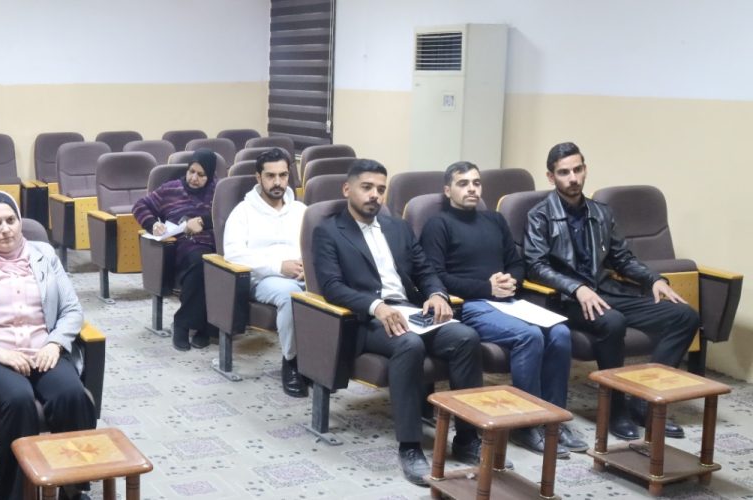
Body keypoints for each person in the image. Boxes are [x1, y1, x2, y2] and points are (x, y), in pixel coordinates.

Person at [311, 159, 484, 487]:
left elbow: (425, 270)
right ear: (347, 189)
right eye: (367, 188)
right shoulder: (328, 231)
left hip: (410, 311)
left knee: (466, 337)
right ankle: (410, 445)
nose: (374, 195)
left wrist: (437, 294)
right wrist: (376, 306)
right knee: (409, 343)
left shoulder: (398, 228)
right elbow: (332, 287)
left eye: (380, 189)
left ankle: (466, 436)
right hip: (366, 320)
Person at [525, 142, 699, 441]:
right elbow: (535, 266)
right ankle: (615, 408)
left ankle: (644, 401)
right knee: (612, 321)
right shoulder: (540, 215)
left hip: (606, 290)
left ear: (585, 169)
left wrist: (653, 279)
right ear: (551, 177)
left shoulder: (601, 212)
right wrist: (577, 287)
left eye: (578, 170)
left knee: (684, 316)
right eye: (564, 172)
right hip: (566, 299)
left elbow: (622, 258)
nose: (573, 178)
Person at [0, 192, 95, 500]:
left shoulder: (44, 254)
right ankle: (15, 493)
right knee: (19, 399)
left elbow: (72, 310)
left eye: (11, 220)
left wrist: (55, 343)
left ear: (20, 221)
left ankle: (72, 488)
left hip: (44, 350)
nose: (5, 229)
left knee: (71, 395)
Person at [419, 161, 583, 458]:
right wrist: (487, 288)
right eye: (463, 183)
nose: (471, 189)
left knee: (560, 333)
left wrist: (511, 282)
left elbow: (517, 263)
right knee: (529, 336)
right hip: (470, 305)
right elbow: (435, 276)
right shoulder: (438, 225)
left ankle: (553, 420)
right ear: (448, 190)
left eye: (476, 183)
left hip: (508, 301)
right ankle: (525, 424)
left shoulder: (494, 220)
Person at [222, 148, 309, 397]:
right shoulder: (243, 212)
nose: (278, 182)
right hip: (262, 279)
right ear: (258, 177)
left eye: (283, 175)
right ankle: (291, 361)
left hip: (303, 275)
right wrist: (278, 266)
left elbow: (316, 245)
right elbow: (234, 254)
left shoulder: (301, 210)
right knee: (291, 296)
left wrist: (308, 266)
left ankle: (322, 364)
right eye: (271, 176)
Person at [132, 149, 219, 350]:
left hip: (216, 244)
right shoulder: (171, 189)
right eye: (191, 172)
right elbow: (140, 206)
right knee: (200, 263)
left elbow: (229, 214)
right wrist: (153, 224)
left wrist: (203, 222)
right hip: (183, 246)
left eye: (201, 174)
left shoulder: (218, 191)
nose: (194, 178)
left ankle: (204, 325)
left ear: (210, 175)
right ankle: (184, 324)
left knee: (219, 268)